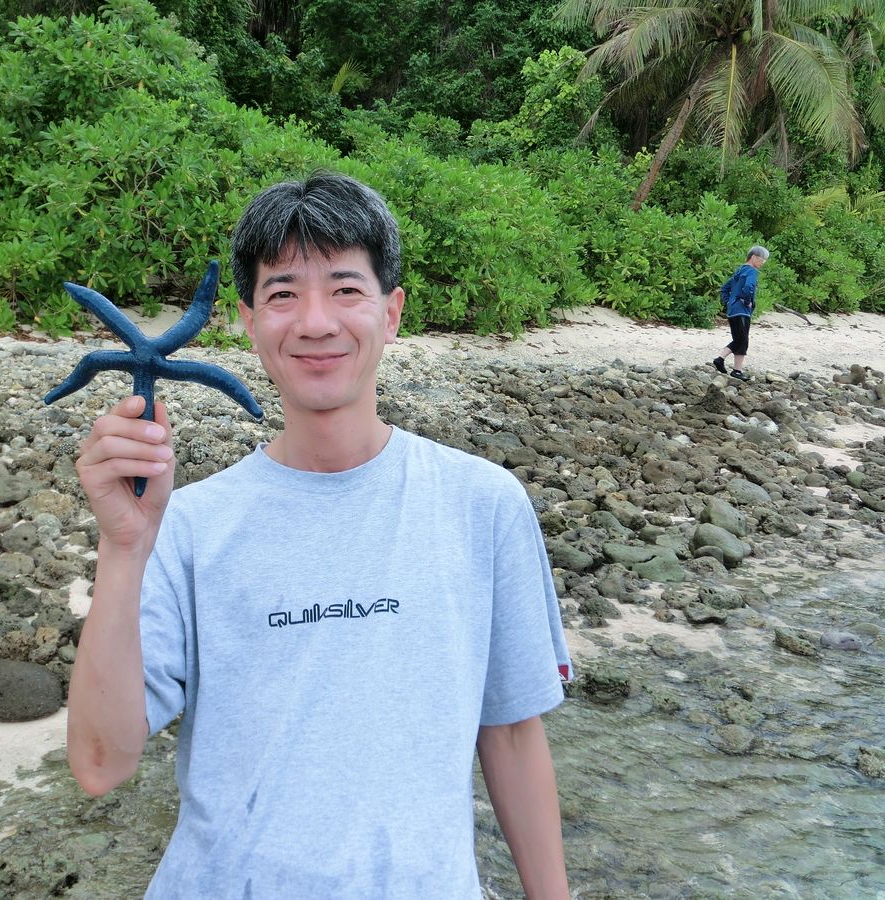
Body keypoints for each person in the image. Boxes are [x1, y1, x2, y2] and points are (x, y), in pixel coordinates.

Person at [67, 173, 574, 899]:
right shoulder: (184, 527)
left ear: (391, 313)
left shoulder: (483, 505)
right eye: (283, 293)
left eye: (345, 289)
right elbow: (98, 765)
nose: (314, 321)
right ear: (247, 321)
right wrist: (122, 549)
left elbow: (515, 733)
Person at [714, 245, 770, 382]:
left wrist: (729, 302)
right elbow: (748, 287)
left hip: (733, 311)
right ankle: (725, 362)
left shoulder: (739, 271)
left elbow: (724, 289)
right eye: (762, 259)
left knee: (739, 339)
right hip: (742, 311)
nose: (763, 263)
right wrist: (746, 301)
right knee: (742, 340)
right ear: (753, 257)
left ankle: (733, 368)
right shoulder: (751, 271)